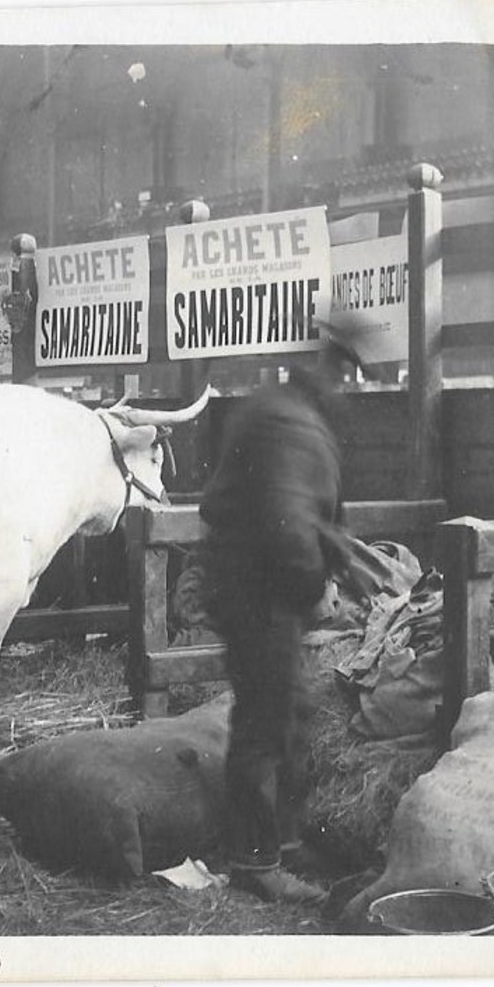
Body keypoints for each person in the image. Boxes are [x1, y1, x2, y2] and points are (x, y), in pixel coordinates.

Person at [199, 342, 356, 905]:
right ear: (328, 373)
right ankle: (255, 861)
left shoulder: (282, 412)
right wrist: (315, 583)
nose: (349, 386)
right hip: (258, 589)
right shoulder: (289, 423)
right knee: (265, 720)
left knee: (287, 709)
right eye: (345, 373)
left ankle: (284, 841)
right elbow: (287, 521)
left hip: (254, 584)